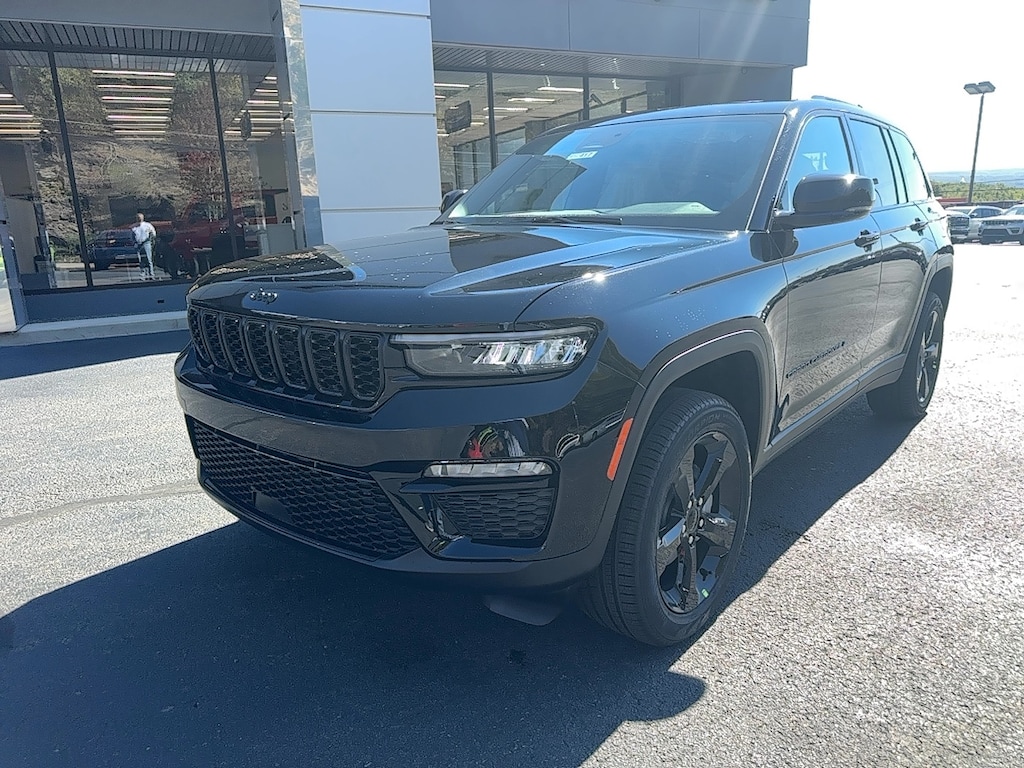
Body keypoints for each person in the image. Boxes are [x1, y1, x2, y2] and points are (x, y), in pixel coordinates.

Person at [131, 213, 157, 279]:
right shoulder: (134, 227)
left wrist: (151, 241)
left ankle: (151, 273)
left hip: (146, 243)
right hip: (139, 244)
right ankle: (143, 273)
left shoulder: (148, 225)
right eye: (138, 217)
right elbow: (132, 236)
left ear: (143, 218)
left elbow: (153, 234)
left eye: (140, 217)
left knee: (148, 259)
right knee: (141, 259)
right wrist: (135, 243)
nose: (139, 218)